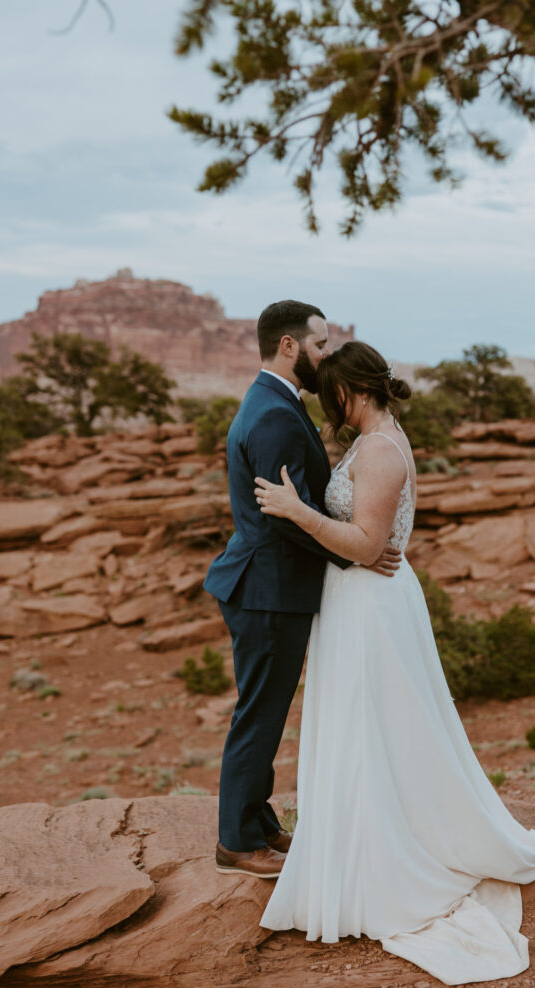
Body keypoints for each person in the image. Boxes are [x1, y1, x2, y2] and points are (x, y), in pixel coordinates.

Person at [253, 340, 535, 985]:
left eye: (331, 396)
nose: (328, 408)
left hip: (370, 605)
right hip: (358, 602)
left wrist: (296, 511)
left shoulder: (381, 451)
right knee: (366, 726)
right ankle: (357, 846)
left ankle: (387, 858)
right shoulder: (375, 440)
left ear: (353, 390)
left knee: (374, 727)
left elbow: (369, 545)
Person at [203, 303, 402, 880]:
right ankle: (237, 843)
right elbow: (286, 517)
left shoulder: (274, 405)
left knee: (264, 710)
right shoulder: (273, 416)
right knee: (260, 714)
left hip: (272, 585)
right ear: (289, 347)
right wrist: (357, 551)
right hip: (268, 588)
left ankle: (258, 822)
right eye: (319, 345)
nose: (326, 355)